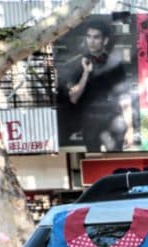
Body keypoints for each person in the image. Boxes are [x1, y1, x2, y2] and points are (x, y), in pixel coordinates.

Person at [62, 18, 131, 153]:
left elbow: (125, 98)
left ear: (104, 40)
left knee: (115, 155)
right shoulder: (77, 63)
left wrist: (130, 128)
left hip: (113, 117)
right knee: (93, 158)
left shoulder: (115, 64)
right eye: (89, 37)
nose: (91, 41)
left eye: (96, 37)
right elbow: (73, 97)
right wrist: (85, 74)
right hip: (90, 119)